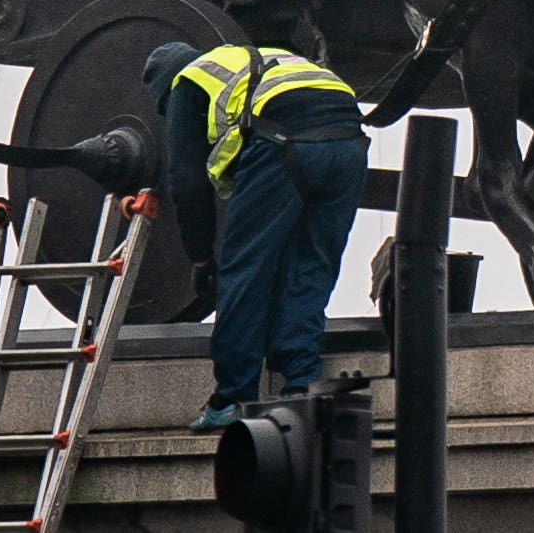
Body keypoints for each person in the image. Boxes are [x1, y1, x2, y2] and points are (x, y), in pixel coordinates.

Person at [146, 28, 370, 427]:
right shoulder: (254, 57)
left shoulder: (186, 81)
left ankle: (232, 397)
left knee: (245, 270)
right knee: (312, 267)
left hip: (285, 141)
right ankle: (301, 384)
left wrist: (201, 258)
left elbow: (187, 182)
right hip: (348, 142)